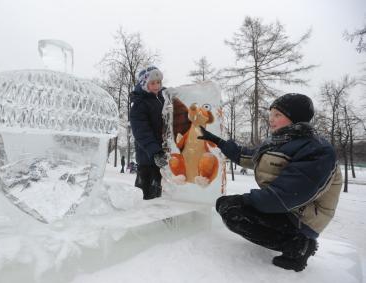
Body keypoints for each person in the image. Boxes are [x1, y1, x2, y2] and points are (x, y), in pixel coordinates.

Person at [198, 93, 342, 272]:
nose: (271, 120)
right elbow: (249, 156)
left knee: (233, 210)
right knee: (227, 205)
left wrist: (247, 199)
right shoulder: (282, 142)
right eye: (271, 114)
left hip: (303, 218)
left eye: (277, 115)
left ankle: (298, 245)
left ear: (294, 118)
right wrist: (218, 142)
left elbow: (286, 196)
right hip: (286, 208)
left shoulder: (317, 150)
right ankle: (291, 239)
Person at [129, 66, 167, 200]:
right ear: (145, 85)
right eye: (153, 83)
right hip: (148, 159)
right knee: (148, 197)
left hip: (162, 157)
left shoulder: (163, 99)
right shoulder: (140, 104)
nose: (157, 86)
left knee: (162, 197)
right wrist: (155, 152)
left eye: (159, 82)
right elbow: (141, 132)